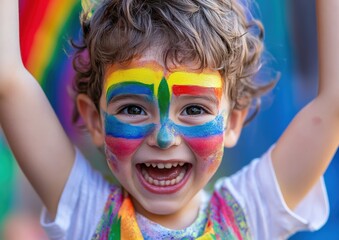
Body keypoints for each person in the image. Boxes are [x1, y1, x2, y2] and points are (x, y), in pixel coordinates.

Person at [0, 0, 338, 239]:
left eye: (194, 109)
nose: (164, 137)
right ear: (95, 120)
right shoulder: (87, 212)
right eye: (133, 108)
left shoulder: (250, 214)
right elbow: (8, 81)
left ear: (233, 121)